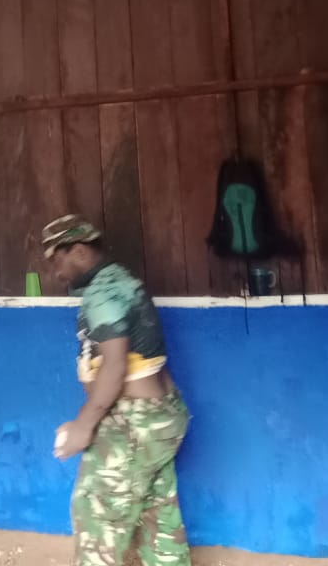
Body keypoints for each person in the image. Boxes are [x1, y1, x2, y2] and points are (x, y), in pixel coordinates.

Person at [43, 214, 192, 566]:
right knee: (157, 520)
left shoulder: (104, 292)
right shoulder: (121, 281)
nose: (55, 272)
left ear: (79, 251)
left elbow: (114, 364)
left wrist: (84, 425)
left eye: (56, 260)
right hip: (159, 416)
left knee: (96, 512)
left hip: (134, 423)